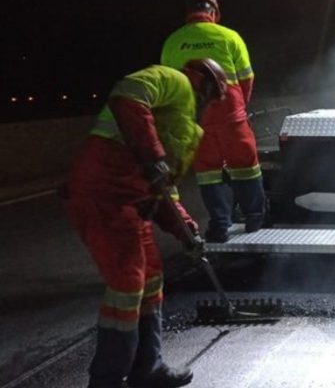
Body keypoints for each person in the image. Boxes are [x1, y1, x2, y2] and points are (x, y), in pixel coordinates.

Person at [64, 60, 228, 388]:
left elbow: (163, 194)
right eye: (211, 100)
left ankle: (147, 367)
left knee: (151, 279)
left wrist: (186, 230)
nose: (207, 109)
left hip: (132, 202)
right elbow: (127, 95)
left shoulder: (182, 127)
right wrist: (153, 156)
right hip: (104, 193)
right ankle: (106, 380)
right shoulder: (173, 80)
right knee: (127, 284)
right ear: (205, 86)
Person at [161, 0, 265, 243]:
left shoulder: (173, 40)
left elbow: (170, 84)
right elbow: (246, 78)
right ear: (214, 13)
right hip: (230, 111)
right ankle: (254, 218)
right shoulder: (229, 36)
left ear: (189, 14)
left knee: (208, 171)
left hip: (196, 115)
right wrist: (239, 107)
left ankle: (220, 225)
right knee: (246, 165)